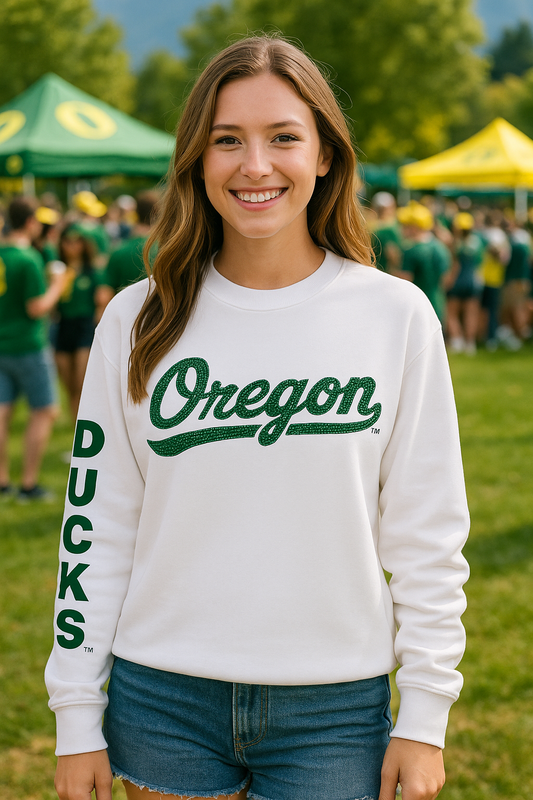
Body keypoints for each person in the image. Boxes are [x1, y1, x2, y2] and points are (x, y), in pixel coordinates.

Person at [46, 36, 469, 800]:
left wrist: (425, 713)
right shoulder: (136, 319)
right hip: (161, 700)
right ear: (195, 160)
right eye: (227, 141)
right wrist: (77, 713)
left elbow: (427, 529)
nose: (255, 166)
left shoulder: (394, 316)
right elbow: (95, 526)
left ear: (326, 157)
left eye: (283, 138)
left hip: (334, 707)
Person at [0, 197, 66, 500]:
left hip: (3, 343)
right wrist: (58, 285)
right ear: (29, 223)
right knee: (45, 411)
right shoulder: (28, 259)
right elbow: (36, 307)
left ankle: (3, 481)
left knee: (2, 413)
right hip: (28, 345)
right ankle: (29, 483)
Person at [54, 226, 103, 423]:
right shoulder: (58, 272)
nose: (72, 246)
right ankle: (75, 429)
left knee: (82, 381)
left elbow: (102, 300)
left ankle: (86, 425)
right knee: (69, 386)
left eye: (77, 241)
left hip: (85, 326)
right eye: (67, 241)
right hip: (64, 326)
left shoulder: (92, 272)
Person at [95, 190, 160, 313]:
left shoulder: (119, 251)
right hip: (162, 322)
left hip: (125, 321)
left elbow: (103, 296)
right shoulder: (168, 250)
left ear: (136, 213)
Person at [396, 202, 452, 324]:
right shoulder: (439, 247)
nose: (402, 229)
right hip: (437, 301)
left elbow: (404, 281)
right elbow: (447, 279)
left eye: (405, 226)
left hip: (415, 305)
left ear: (414, 227)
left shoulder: (411, 251)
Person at [446, 212, 485, 355]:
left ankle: (457, 340)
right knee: (471, 313)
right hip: (473, 280)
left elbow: (453, 264)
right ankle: (470, 343)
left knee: (451, 312)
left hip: (458, 281)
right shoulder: (478, 241)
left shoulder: (455, 243)